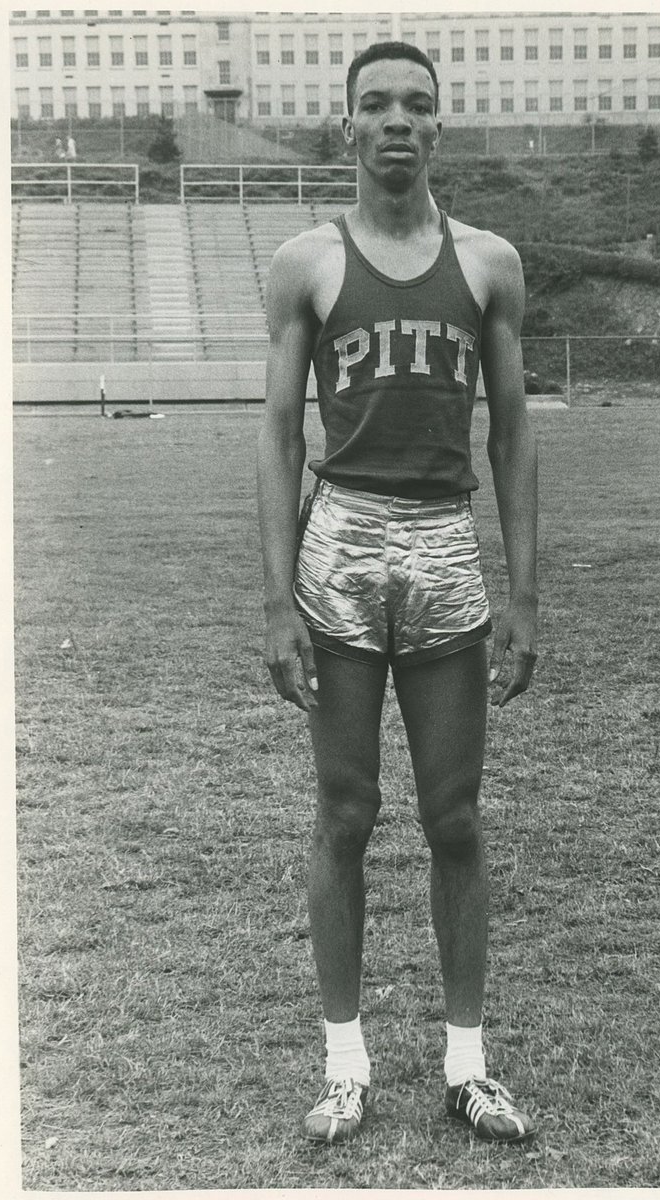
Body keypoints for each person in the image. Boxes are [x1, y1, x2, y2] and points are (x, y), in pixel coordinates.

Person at [257, 41, 539, 1146]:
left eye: (416, 105)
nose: (395, 122)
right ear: (347, 127)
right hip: (342, 541)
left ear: (440, 128)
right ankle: (345, 1064)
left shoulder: (489, 263)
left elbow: (513, 432)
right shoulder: (306, 264)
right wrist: (277, 600)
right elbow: (279, 433)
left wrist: (527, 593)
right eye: (374, 104)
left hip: (441, 545)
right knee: (343, 812)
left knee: (455, 817)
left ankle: (467, 1065)